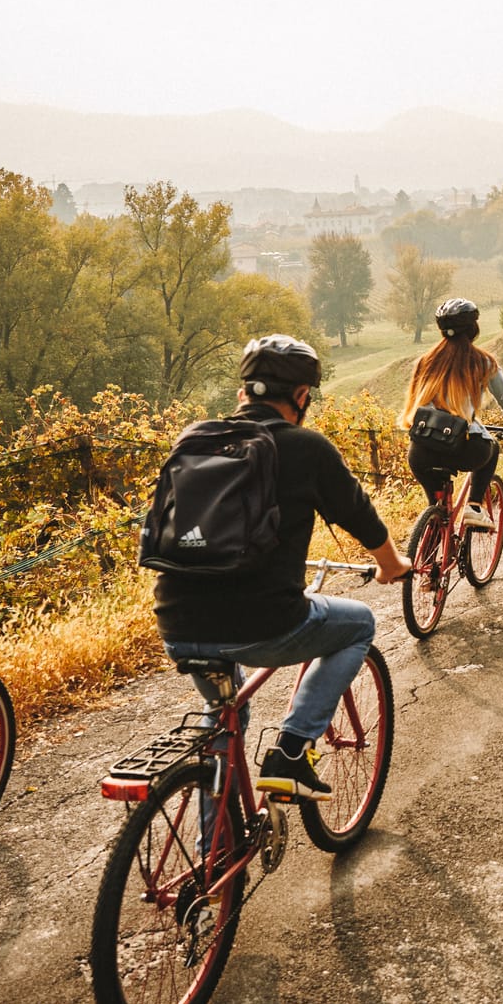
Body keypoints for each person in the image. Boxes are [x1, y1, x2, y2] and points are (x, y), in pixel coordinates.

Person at [153, 334, 408, 800]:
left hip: (176, 621)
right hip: (263, 623)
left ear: (243, 392)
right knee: (359, 624)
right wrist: (392, 564)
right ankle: (292, 751)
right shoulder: (307, 448)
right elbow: (361, 518)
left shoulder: (194, 439)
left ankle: (214, 861)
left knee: (224, 719)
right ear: (301, 396)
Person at [401, 297, 503, 533]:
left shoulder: (425, 362)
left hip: (421, 451)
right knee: (491, 448)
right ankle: (474, 506)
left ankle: (430, 555)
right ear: (473, 328)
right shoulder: (482, 361)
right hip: (464, 449)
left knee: (437, 508)